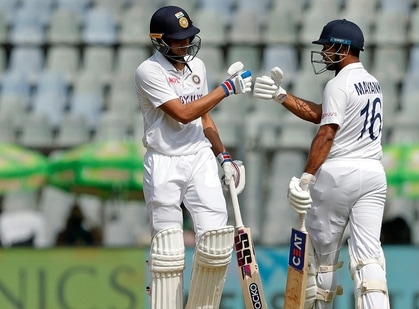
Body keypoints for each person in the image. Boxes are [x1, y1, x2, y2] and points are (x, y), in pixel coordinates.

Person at [254, 19, 390, 309]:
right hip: (374, 174)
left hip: (339, 175)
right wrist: (282, 96)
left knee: (325, 260)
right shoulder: (372, 82)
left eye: (328, 46)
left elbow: (327, 132)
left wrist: (307, 176)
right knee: (369, 256)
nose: (324, 52)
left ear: (342, 47)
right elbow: (323, 114)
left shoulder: (337, 83)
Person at [134, 5, 251, 309]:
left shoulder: (196, 67)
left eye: (188, 37)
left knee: (215, 239)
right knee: (168, 248)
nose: (185, 44)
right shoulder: (149, 71)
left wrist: (223, 156)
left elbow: (203, 118)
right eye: (178, 39)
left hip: (199, 155)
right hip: (164, 161)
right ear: (160, 41)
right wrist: (227, 88)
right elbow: (184, 114)